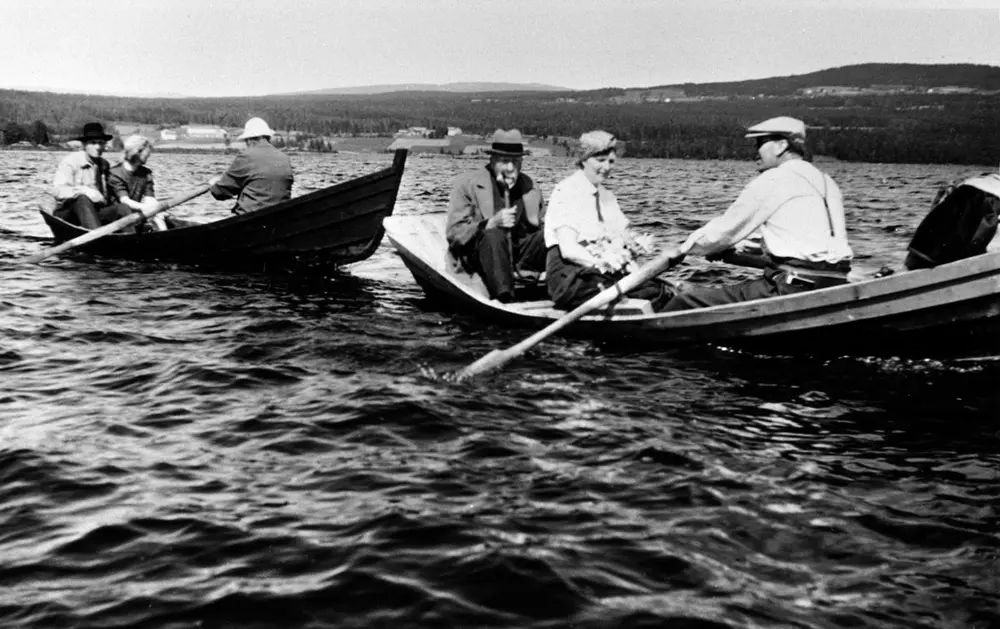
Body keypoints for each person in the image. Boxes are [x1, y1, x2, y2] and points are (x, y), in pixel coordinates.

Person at [662, 116, 853, 312]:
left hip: (790, 288)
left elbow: (721, 234)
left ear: (780, 146)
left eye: (760, 143)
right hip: (835, 285)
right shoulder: (826, 181)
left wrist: (684, 249)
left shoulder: (775, 179)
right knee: (705, 291)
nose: (755, 151)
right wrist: (735, 251)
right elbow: (800, 242)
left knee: (685, 301)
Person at [544, 130, 675, 311]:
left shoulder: (607, 197)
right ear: (583, 159)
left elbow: (622, 238)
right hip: (569, 276)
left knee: (659, 290)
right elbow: (569, 250)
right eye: (600, 160)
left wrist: (632, 250)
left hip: (602, 271)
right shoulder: (566, 191)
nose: (607, 167)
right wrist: (606, 264)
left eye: (611, 161)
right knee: (646, 292)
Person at [446, 129, 547, 303]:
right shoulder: (467, 184)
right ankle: (506, 298)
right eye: (505, 161)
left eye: (515, 162)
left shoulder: (531, 186)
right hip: (482, 255)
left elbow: (543, 225)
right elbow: (455, 234)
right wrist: (491, 223)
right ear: (492, 160)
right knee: (494, 235)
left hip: (521, 257)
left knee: (555, 232)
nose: (510, 168)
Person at [51, 122, 133, 230]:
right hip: (68, 214)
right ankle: (98, 239)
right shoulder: (70, 162)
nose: (98, 147)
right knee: (82, 199)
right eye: (93, 143)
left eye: (101, 143)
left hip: (93, 213)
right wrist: (85, 191)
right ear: (84, 145)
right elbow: (58, 191)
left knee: (122, 208)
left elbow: (110, 196)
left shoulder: (104, 165)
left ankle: (131, 238)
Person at [209, 117, 293, 215]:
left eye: (245, 141)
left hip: (250, 218)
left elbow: (220, 192)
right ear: (267, 137)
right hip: (280, 217)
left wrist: (214, 185)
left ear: (249, 139)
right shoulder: (284, 158)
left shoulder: (246, 157)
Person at [107, 134, 164, 231]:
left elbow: (149, 198)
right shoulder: (114, 173)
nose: (149, 154)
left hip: (136, 214)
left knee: (159, 219)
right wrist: (147, 208)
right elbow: (125, 200)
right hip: (117, 218)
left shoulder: (146, 173)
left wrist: (156, 209)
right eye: (147, 151)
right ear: (137, 151)